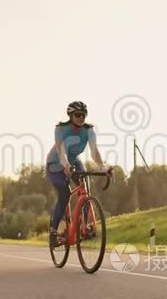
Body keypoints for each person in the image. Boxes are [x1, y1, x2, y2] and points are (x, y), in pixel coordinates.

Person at [45, 101, 110, 247]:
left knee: (85, 191)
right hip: (55, 165)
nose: (81, 118)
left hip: (74, 162)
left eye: (84, 115)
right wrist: (66, 166)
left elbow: (94, 152)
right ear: (70, 116)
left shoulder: (89, 131)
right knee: (65, 194)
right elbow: (62, 152)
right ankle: (53, 232)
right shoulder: (61, 129)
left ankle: (83, 227)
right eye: (78, 115)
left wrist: (102, 167)